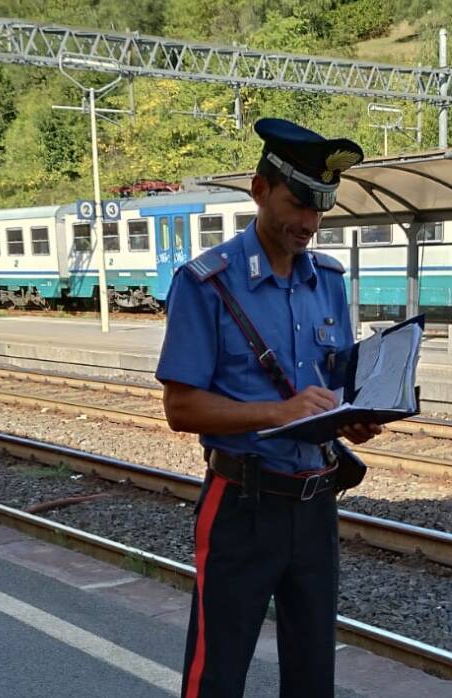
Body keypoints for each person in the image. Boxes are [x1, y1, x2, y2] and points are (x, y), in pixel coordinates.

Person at [156, 117, 382, 698]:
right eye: (297, 204)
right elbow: (180, 409)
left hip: (315, 505)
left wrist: (355, 417)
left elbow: (333, 389)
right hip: (242, 506)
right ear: (259, 190)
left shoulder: (327, 281)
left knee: (313, 675)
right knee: (218, 673)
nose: (309, 223)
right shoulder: (206, 283)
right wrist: (276, 414)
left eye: (321, 209)